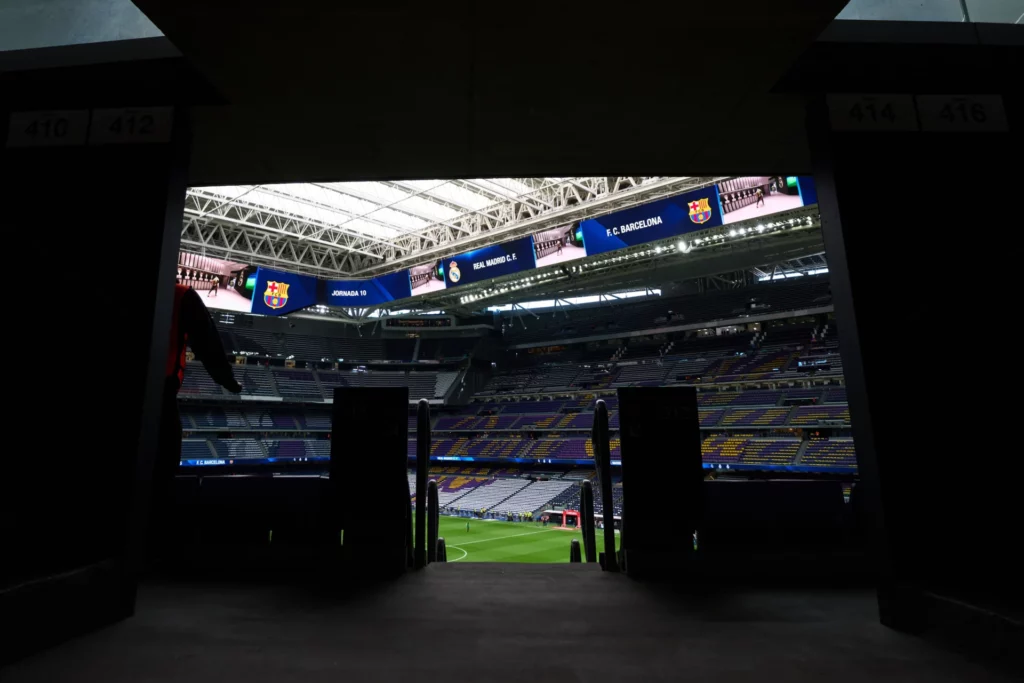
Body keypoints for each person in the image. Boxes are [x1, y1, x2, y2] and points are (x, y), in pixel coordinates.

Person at [150, 282, 241, 563]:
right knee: (162, 470)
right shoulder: (180, 294)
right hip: (159, 394)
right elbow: (207, 340)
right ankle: (155, 546)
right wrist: (227, 380)